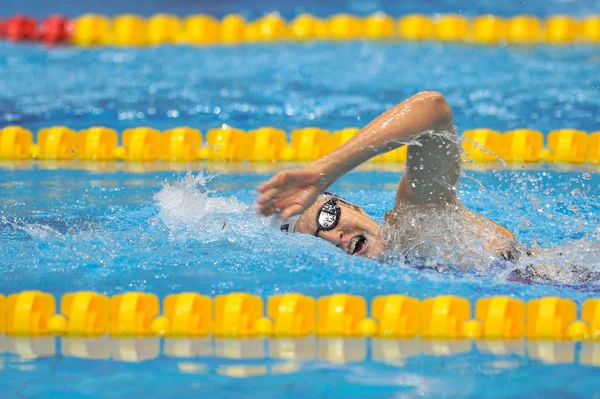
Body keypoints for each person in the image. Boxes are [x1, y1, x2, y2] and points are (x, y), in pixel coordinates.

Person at [256, 91, 521, 265]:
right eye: (314, 241)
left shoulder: (416, 222)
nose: (332, 237)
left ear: (353, 207)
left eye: (328, 218)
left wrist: (324, 171)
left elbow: (432, 109)